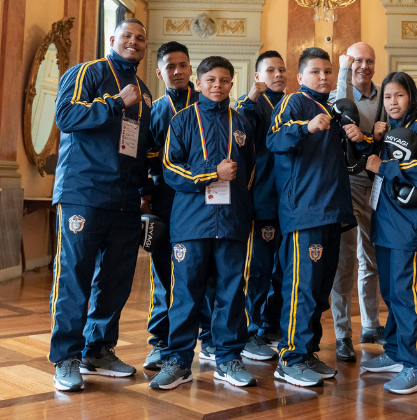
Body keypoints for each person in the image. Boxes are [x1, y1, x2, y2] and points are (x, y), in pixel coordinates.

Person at [49, 18, 152, 392]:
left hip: (124, 200)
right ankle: (66, 357)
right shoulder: (87, 72)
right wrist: (113, 103)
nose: (134, 42)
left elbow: (138, 147)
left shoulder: (144, 91)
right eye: (127, 36)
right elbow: (65, 117)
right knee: (74, 276)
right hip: (83, 192)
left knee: (115, 280)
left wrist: (144, 189)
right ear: (112, 39)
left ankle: (98, 350)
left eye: (141, 38)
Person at [149, 56, 257, 390]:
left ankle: (227, 359)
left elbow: (250, 169)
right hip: (191, 223)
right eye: (210, 80)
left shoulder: (241, 123)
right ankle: (178, 362)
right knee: (185, 294)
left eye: (224, 80)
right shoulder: (181, 121)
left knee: (230, 293)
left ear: (232, 83)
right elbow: (170, 169)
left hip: (232, 222)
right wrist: (212, 175)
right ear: (199, 82)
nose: (217, 86)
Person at [267, 47, 361, 387]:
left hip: (332, 213)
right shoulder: (294, 103)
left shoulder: (334, 111)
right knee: (302, 288)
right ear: (301, 77)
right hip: (304, 213)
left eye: (327, 71)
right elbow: (274, 140)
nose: (323, 77)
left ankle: (307, 353)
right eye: (316, 72)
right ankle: (290, 359)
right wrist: (305, 127)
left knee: (320, 290)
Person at [360, 71, 417, 394]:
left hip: (409, 224)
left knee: (407, 295)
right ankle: (395, 351)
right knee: (391, 292)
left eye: (400, 96)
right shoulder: (391, 130)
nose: (393, 102)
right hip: (385, 222)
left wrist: (385, 167)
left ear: (411, 97)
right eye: (388, 97)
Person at [143, 41, 216, 371]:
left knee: (204, 271)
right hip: (165, 200)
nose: (177, 71)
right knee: (163, 274)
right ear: (160, 72)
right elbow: (144, 160)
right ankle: (160, 341)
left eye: (182, 65)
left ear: (191, 69)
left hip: (202, 202)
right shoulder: (153, 111)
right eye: (170, 66)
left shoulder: (208, 106)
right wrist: (144, 199)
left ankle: (209, 336)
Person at [328, 42, 387, 363]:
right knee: (346, 260)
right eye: (357, 61)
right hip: (347, 182)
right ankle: (342, 334)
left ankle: (370, 324)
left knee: (372, 253)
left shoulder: (384, 93)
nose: (364, 66)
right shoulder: (340, 90)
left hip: (377, 181)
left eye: (369, 60)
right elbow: (339, 106)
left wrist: (381, 133)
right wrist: (343, 70)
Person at [234, 51, 289, 360]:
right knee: (258, 271)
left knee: (281, 270)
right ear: (258, 76)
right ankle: (250, 331)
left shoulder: (291, 104)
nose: (277, 74)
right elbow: (237, 128)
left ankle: (269, 324)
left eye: (281, 69)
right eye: (270, 70)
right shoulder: (252, 104)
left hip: (289, 202)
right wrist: (252, 94)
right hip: (261, 201)